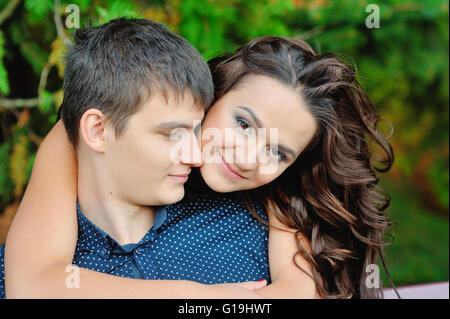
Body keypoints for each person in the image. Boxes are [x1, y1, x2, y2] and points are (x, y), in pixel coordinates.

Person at [3, 21, 395, 299]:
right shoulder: (104, 126)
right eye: (243, 123)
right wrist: (193, 296)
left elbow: (297, 291)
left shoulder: (277, 196)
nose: (246, 158)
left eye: (277, 152)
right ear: (214, 95)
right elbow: (33, 283)